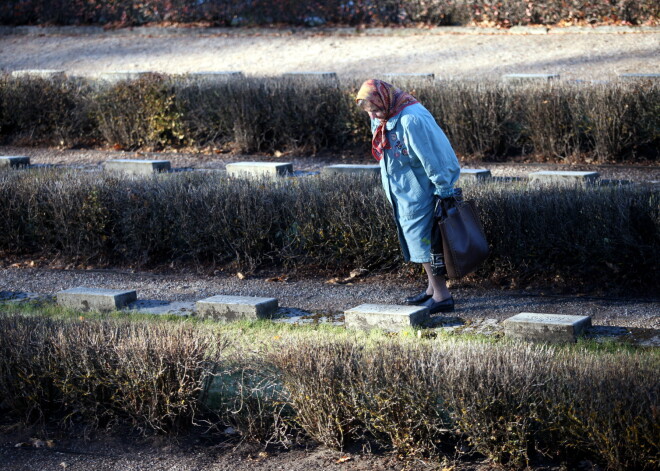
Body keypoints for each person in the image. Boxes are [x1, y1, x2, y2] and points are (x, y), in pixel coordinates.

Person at [356, 79, 460, 313]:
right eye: (370, 112)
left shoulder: (410, 119)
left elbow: (432, 157)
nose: (373, 115)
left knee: (427, 243)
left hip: (422, 189)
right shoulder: (385, 114)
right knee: (417, 239)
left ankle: (442, 296)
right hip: (404, 190)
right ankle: (432, 290)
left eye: (376, 109)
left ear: (386, 99)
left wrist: (443, 189)